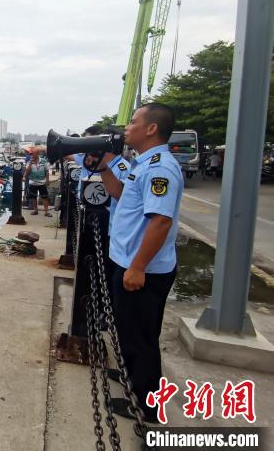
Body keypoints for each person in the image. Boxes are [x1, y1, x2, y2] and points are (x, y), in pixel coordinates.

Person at [96, 102, 184, 423]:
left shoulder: (160, 167)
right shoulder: (143, 163)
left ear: (151, 129)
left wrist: (137, 268)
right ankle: (134, 378)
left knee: (141, 337)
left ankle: (148, 408)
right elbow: (121, 194)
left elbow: (160, 221)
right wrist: (104, 167)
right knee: (128, 329)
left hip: (142, 269)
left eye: (133, 122)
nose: (127, 128)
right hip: (129, 261)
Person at [23, 148, 51, 216]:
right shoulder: (29, 161)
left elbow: (47, 171)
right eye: (30, 154)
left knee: (44, 197)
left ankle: (46, 211)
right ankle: (35, 210)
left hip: (42, 182)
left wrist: (47, 180)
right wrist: (30, 164)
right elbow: (27, 172)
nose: (31, 155)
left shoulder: (44, 161)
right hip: (32, 182)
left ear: (37, 154)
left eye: (33, 154)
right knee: (34, 197)